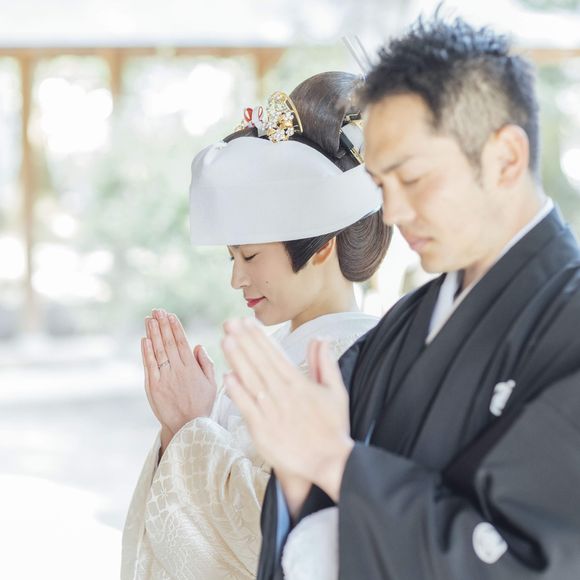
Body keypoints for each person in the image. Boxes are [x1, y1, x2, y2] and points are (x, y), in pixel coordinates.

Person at [222, 17, 580, 580]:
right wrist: (299, 474)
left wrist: (334, 463)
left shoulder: (568, 325)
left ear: (506, 157)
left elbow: (533, 562)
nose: (392, 212)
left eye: (411, 179)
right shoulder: (407, 322)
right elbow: (313, 505)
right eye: (381, 185)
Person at [121, 71, 392, 580]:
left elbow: (282, 542)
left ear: (322, 245)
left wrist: (191, 427)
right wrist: (182, 426)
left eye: (249, 256)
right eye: (232, 257)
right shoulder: (283, 349)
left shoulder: (360, 362)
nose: (236, 278)